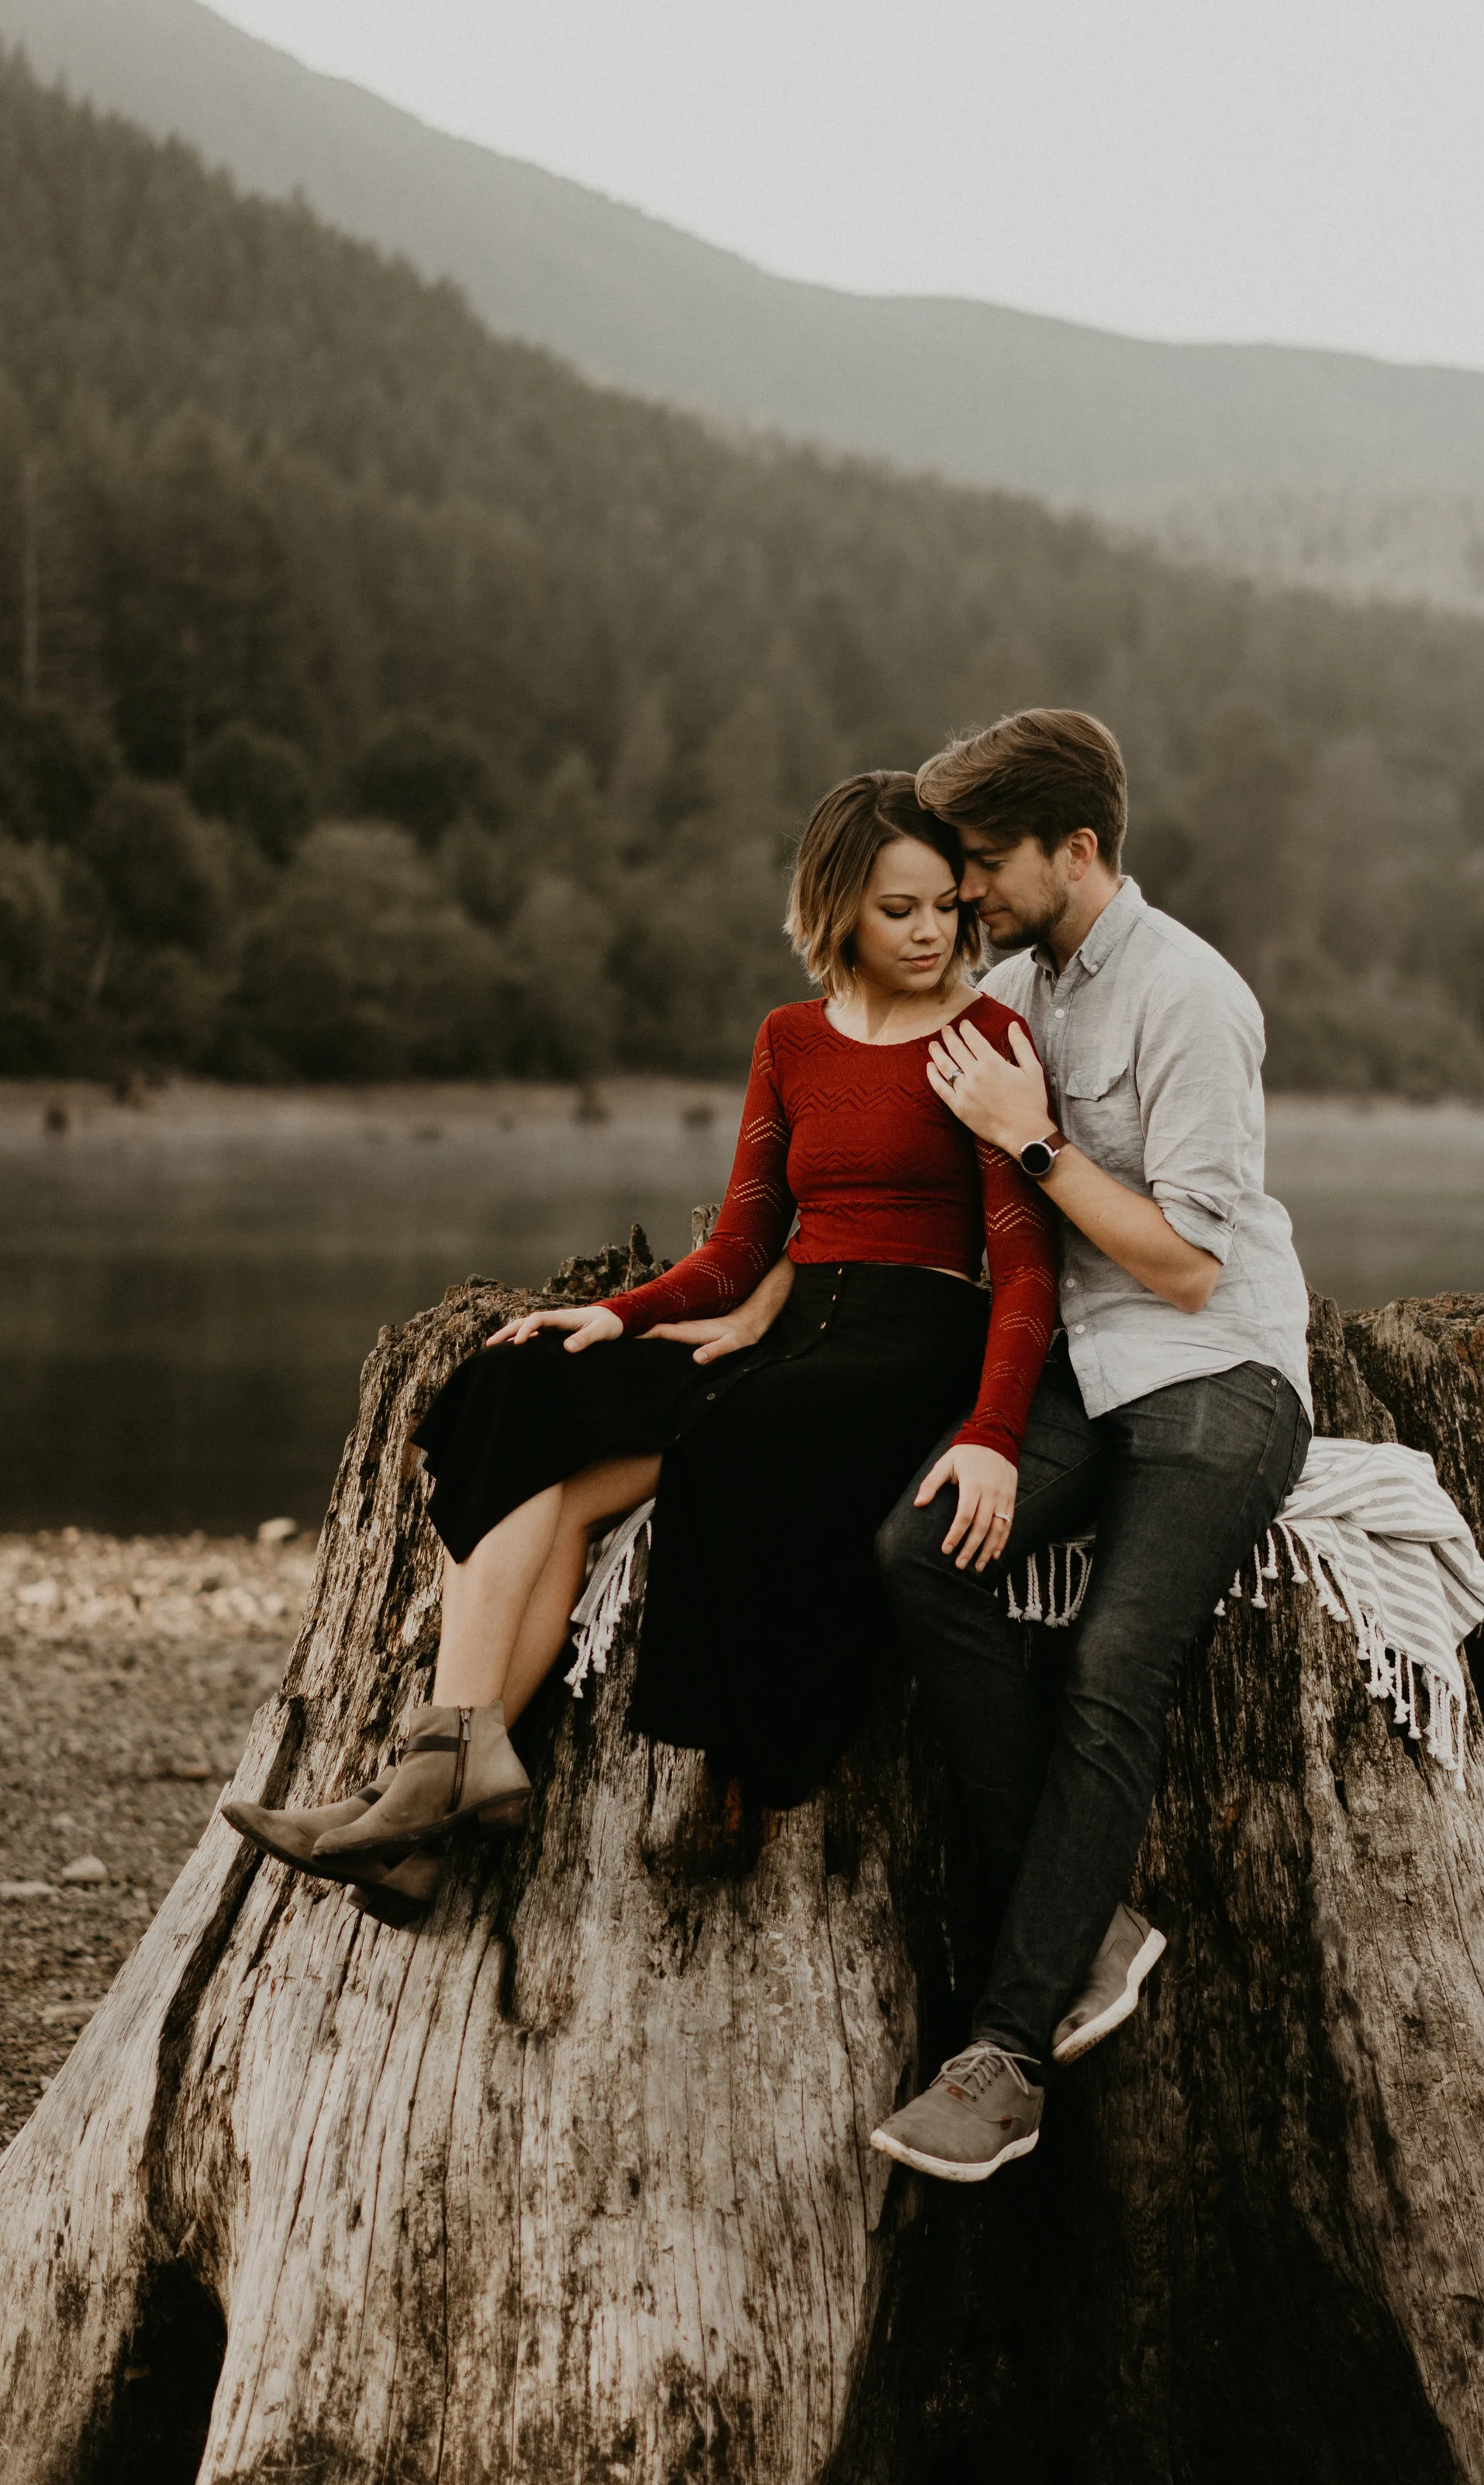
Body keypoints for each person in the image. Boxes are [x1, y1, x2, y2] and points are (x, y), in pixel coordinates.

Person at [223, 771, 1058, 1913]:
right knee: (524, 1385)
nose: (930, 931)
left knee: (725, 1437)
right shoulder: (792, 1039)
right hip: (786, 1322)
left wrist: (995, 1430)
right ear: (837, 910)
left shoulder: (987, 1035)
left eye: (943, 906)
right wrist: (618, 1314)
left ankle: (422, 1798)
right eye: (896, 909)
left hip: (907, 1347)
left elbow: (1022, 1274)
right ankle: (442, 1773)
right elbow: (746, 1238)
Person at [869, 708, 1312, 2183]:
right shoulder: (1007, 986)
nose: (970, 890)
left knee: (1119, 1659)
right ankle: (1091, 1924)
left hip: (1216, 1372)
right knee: (918, 1550)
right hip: (1076, 1366)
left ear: (1081, 847)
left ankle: (1002, 2051)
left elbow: (1188, 1266)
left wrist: (1036, 1138)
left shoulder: (1193, 998)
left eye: (989, 863)